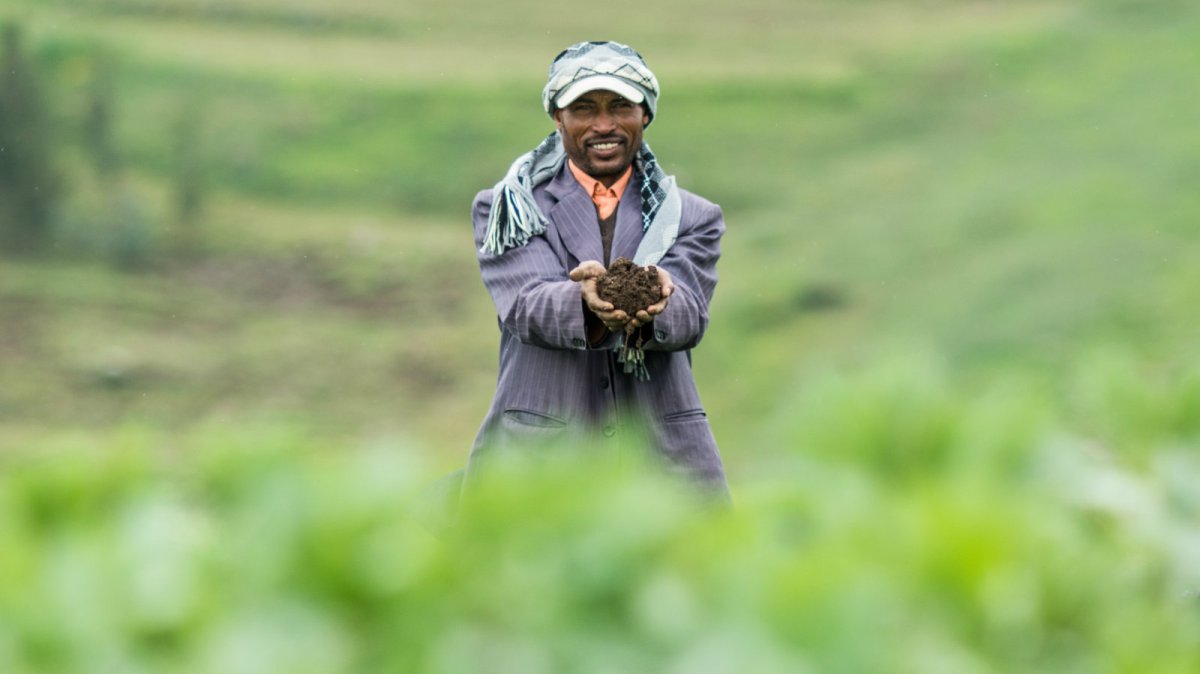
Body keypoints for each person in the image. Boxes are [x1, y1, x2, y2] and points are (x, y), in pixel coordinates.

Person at [467, 40, 728, 497]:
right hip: (539, 460)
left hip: (663, 462)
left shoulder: (694, 216)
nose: (604, 124)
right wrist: (585, 303)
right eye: (584, 108)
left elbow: (690, 316)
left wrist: (659, 301)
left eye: (621, 106)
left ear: (645, 114)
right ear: (557, 118)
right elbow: (526, 306)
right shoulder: (509, 208)